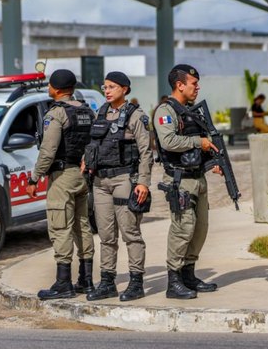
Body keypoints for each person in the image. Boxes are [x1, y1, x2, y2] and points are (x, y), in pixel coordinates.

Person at [153, 64, 223, 299]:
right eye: (193, 83)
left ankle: (189, 275)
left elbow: (203, 142)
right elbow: (168, 142)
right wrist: (198, 142)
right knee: (183, 228)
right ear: (179, 85)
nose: (197, 87)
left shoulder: (193, 111)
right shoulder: (166, 110)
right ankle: (173, 281)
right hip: (179, 180)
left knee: (200, 229)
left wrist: (212, 160)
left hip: (198, 178)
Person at [83, 72, 153, 302]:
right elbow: (94, 143)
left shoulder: (136, 116)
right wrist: (87, 160)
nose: (107, 90)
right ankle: (107, 281)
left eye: (112, 86)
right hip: (100, 182)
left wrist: (143, 182)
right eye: (105, 87)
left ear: (124, 89)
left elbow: (146, 152)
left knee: (130, 233)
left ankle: (136, 282)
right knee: (106, 235)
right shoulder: (101, 112)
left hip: (124, 179)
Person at [27, 69, 96, 300]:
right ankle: (86, 280)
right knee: (82, 226)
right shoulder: (86, 110)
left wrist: (34, 178)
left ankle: (63, 282)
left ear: (55, 89)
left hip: (62, 176)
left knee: (61, 227)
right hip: (82, 176)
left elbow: (48, 151)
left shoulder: (56, 114)